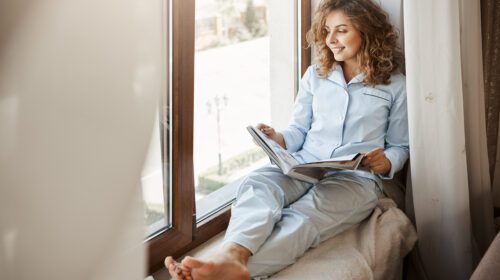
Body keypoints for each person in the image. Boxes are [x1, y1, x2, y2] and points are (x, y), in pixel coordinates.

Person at [166, 0, 408, 279]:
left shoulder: (395, 85)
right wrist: (278, 138)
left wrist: (385, 161)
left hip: (355, 180)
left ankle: (223, 272)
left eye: (341, 30)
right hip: (304, 164)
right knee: (258, 184)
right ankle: (231, 254)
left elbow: (400, 145)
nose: (330, 40)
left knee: (304, 218)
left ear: (367, 32)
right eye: (327, 30)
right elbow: (298, 131)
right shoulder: (316, 76)